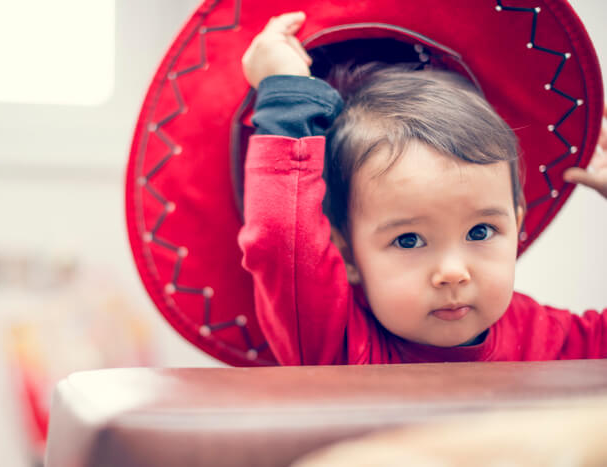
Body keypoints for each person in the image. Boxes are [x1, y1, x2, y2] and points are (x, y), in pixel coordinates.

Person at [238, 12, 607, 365]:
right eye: (409, 239)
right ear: (347, 253)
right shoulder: (336, 341)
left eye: (480, 231)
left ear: (516, 225)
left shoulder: (545, 340)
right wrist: (286, 94)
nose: (452, 272)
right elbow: (281, 237)